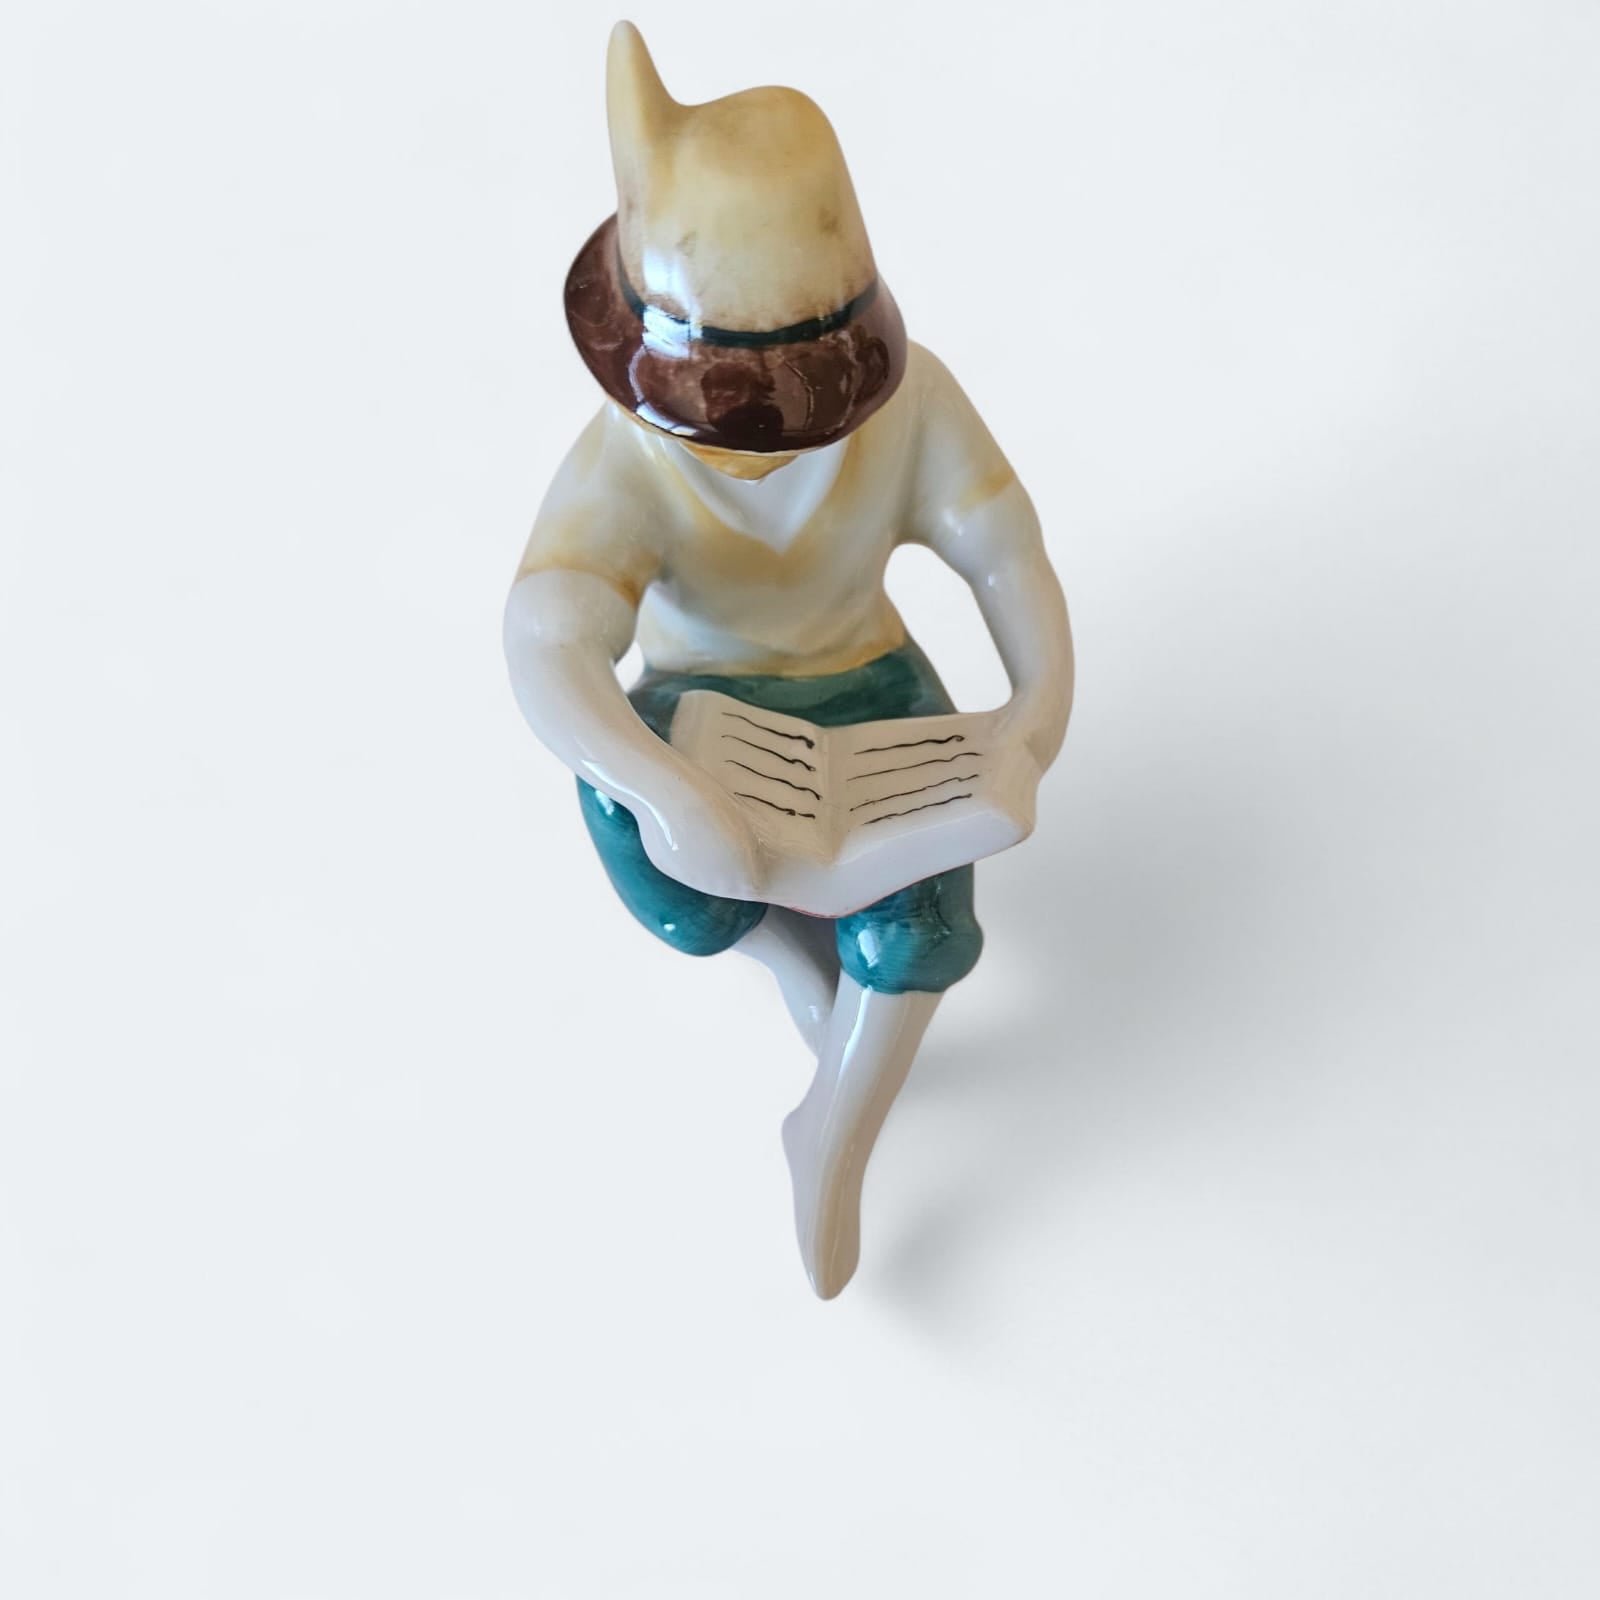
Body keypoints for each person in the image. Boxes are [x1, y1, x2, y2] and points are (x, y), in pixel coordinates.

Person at [504, 22, 1073, 1298]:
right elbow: (547, 637)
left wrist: (1037, 705)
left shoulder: (913, 402)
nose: (760, 445)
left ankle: (832, 1131)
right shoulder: (625, 458)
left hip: (871, 681)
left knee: (920, 930)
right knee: (680, 877)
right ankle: (786, 959)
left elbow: (1004, 551)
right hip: (702, 701)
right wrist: (663, 786)